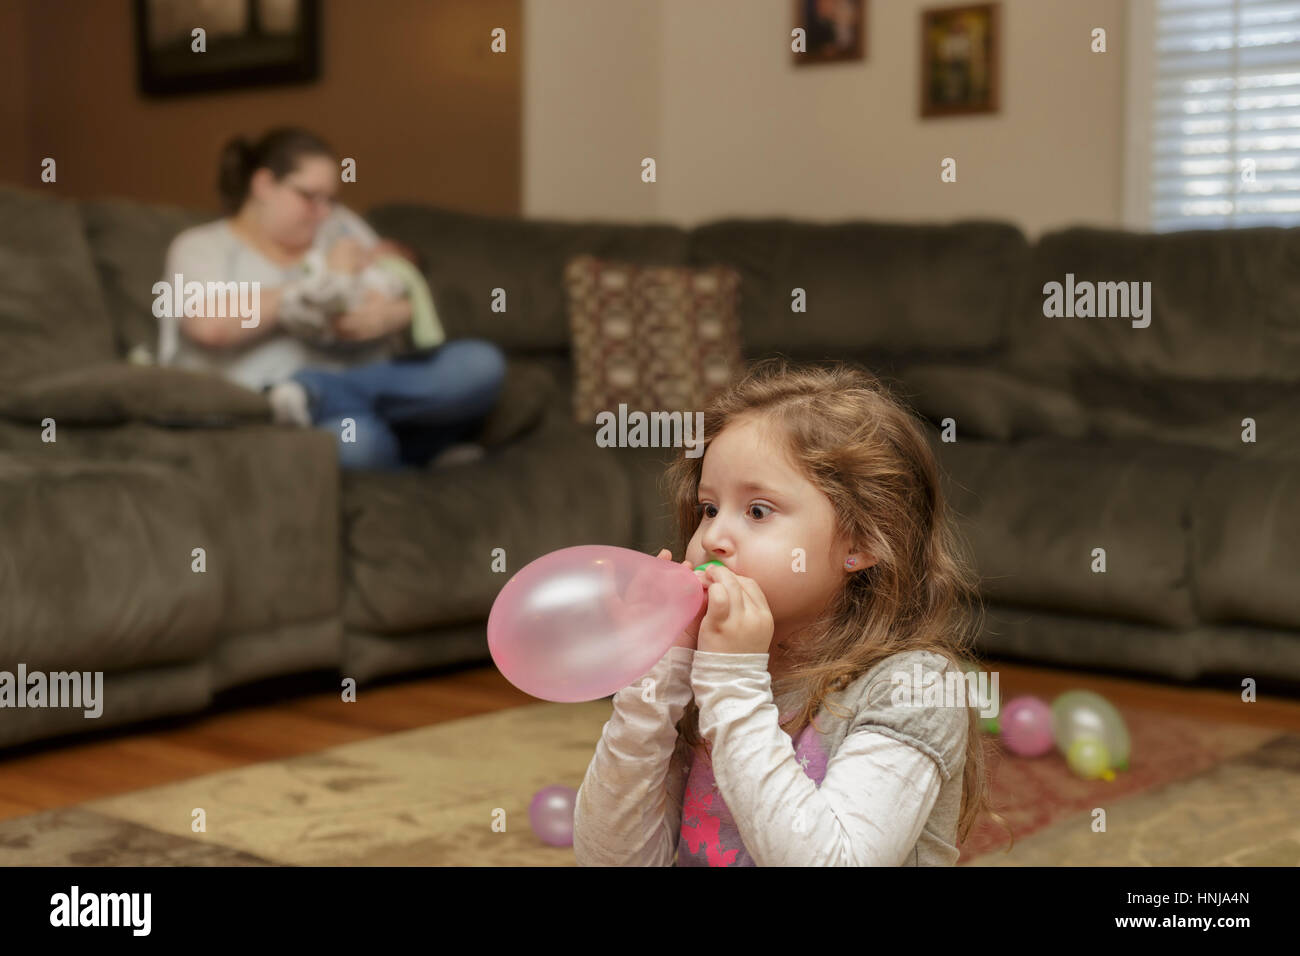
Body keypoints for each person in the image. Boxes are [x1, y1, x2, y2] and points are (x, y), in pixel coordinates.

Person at [573, 358, 1012, 866]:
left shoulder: (914, 687)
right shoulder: (701, 668)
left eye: (758, 511)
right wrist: (651, 686)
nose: (713, 536)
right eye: (709, 508)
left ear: (863, 540)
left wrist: (733, 683)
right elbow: (610, 861)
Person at [157, 126, 507, 470]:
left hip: (374, 385)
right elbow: (209, 325)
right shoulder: (200, 246)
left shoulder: (338, 226)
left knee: (482, 364)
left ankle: (319, 394)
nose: (324, 213)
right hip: (282, 416)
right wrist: (321, 287)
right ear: (263, 184)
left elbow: (394, 280)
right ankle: (419, 447)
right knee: (359, 443)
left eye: (331, 200)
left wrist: (393, 315)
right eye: (309, 197)